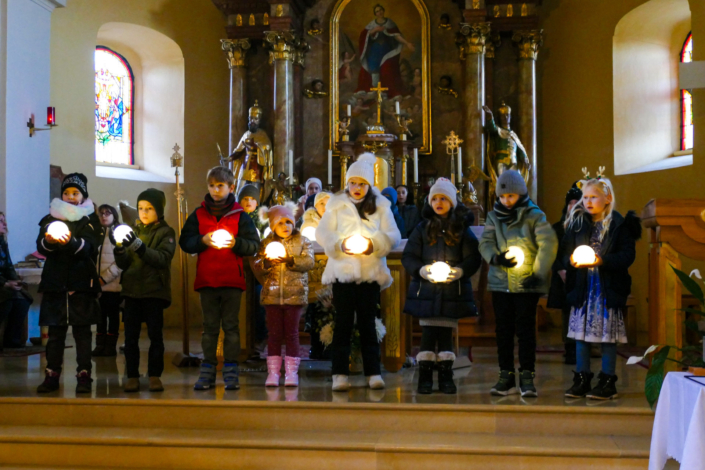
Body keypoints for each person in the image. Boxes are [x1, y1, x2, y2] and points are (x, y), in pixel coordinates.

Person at [316, 153, 401, 391]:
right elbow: (322, 233)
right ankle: (339, 374)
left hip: (369, 273)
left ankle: (373, 372)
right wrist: (339, 244)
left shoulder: (381, 206)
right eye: (353, 183)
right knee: (342, 323)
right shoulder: (336, 204)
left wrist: (374, 244)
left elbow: (393, 236)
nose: (356, 188)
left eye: (362, 184)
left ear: (369, 185)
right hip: (342, 273)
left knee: (367, 324)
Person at [179, 166, 261, 391]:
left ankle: (231, 370)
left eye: (220, 186)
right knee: (209, 327)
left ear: (231, 187)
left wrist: (236, 243)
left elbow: (254, 245)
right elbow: (185, 241)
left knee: (231, 327)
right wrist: (202, 240)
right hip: (207, 279)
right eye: (212, 186)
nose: (216, 190)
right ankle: (207, 370)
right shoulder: (198, 214)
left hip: (231, 280)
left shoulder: (240, 216)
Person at [479, 170, 557, 397]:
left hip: (526, 283)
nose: (506, 201)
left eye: (511, 196)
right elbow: (485, 242)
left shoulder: (535, 216)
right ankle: (506, 376)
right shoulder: (493, 217)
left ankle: (527, 376)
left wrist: (538, 272)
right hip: (500, 283)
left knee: (525, 331)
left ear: (521, 193)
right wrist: (496, 258)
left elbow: (548, 243)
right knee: (503, 330)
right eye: (502, 197)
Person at [562, 173, 640, 400]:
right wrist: (571, 261)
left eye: (593, 197)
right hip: (583, 289)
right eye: (585, 197)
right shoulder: (577, 224)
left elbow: (627, 255)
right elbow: (565, 252)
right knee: (581, 337)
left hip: (607, 290)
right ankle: (582, 379)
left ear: (607, 198)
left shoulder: (619, 225)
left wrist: (602, 261)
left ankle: (607, 381)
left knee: (607, 337)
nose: (588, 202)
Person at [402, 178, 481, 394]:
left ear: (452, 202)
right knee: (428, 334)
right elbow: (409, 256)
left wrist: (459, 271)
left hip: (451, 292)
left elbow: (473, 257)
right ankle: (425, 377)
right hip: (427, 292)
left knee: (446, 335)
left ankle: (446, 376)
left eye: (443, 199)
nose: (439, 202)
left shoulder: (461, 229)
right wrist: (422, 270)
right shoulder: (422, 228)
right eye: (435, 198)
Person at [36, 173, 102, 394]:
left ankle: (84, 375)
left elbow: (90, 247)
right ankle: (52, 375)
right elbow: (41, 246)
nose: (71, 197)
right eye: (66, 193)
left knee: (82, 334)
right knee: (55, 334)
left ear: (83, 195)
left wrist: (71, 242)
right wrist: (49, 241)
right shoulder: (50, 218)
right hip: (55, 284)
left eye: (75, 193)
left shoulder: (89, 220)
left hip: (80, 285)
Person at [113, 189, 176, 393]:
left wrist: (138, 246)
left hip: (154, 292)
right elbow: (124, 263)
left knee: (155, 336)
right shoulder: (132, 230)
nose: (144, 212)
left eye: (149, 208)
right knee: (130, 338)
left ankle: (154, 375)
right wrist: (120, 250)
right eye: (140, 208)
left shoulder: (166, 232)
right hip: (131, 291)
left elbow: (162, 258)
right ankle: (132, 376)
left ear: (159, 210)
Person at [254, 203, 315, 387]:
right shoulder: (266, 244)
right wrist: (266, 262)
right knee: (274, 334)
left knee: (292, 334)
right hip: (272, 295)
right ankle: (273, 373)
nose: (285, 226)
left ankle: (291, 373)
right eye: (280, 223)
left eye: (288, 222)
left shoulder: (302, 241)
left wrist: (291, 260)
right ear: (273, 226)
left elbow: (309, 262)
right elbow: (258, 265)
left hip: (294, 295)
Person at [547, 183, 582, 365]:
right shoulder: (557, 228)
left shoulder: (587, 226)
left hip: (581, 273)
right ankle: (569, 348)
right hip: (563, 275)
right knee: (568, 312)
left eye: (577, 203)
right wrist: (560, 269)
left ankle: (585, 346)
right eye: (570, 203)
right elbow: (551, 252)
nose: (573, 206)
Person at [92, 204, 122, 357]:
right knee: (100, 317)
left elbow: (121, 262)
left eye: (107, 213)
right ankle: (100, 345)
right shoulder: (95, 233)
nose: (104, 216)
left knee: (113, 316)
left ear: (114, 216)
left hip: (112, 285)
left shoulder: (119, 234)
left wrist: (104, 278)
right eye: (101, 213)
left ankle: (110, 346)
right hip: (98, 285)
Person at [0, 212, 32, 350]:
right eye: (1, 221)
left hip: (4, 283)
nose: (5, 224)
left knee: (23, 300)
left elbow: (8, 265)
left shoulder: (2, 242)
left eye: (4, 220)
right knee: (7, 300)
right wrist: (5, 283)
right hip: (1, 284)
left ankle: (12, 340)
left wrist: (15, 280)